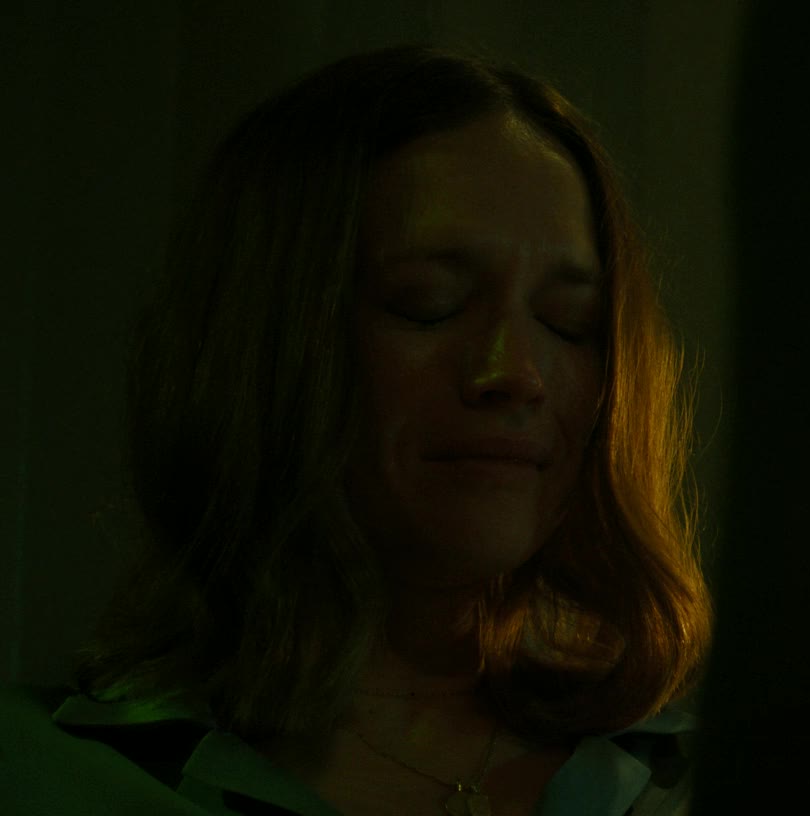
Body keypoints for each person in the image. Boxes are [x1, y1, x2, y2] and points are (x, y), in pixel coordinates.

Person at [0, 44, 709, 816]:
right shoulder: (46, 777)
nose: (516, 373)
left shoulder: (700, 780)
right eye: (426, 303)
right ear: (266, 342)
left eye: (569, 322)